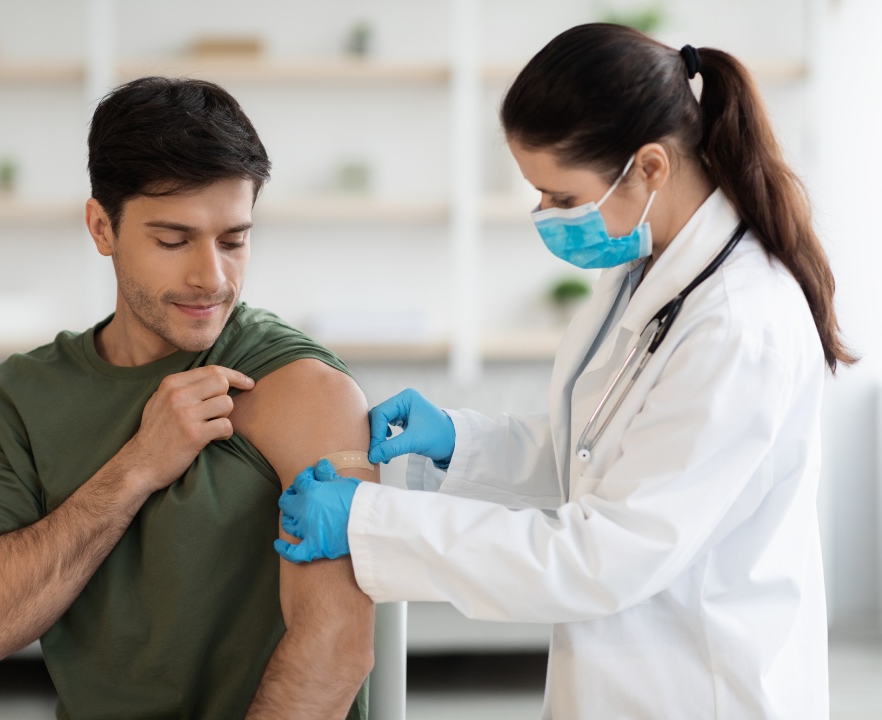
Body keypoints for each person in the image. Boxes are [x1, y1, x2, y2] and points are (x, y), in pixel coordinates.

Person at [275, 23, 853, 720]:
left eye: (561, 196)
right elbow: (599, 456)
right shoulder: (645, 270)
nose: (545, 216)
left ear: (649, 168)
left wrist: (374, 521)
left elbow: (602, 555)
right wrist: (460, 444)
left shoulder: (739, 323)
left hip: (704, 690)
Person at [0, 76, 376, 720]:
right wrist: (137, 466)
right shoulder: (24, 395)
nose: (211, 277)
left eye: (234, 239)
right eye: (173, 241)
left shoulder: (303, 386)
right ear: (101, 228)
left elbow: (336, 648)